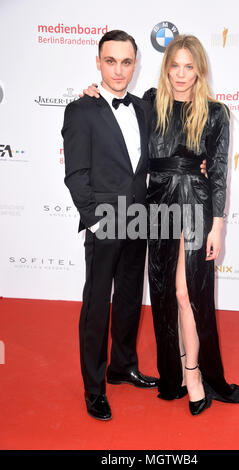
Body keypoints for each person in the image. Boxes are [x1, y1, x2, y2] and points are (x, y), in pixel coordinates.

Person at [83, 34, 239, 417]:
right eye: (174, 66)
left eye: (189, 67)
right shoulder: (151, 104)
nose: (181, 74)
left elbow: (217, 175)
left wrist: (218, 227)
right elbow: (120, 118)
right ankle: (178, 374)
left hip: (196, 204)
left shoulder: (216, 113)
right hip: (158, 205)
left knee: (186, 293)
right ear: (166, 68)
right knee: (165, 293)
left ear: (199, 70)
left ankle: (195, 375)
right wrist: (93, 94)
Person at [62, 30, 162, 421]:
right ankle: (94, 387)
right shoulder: (80, 110)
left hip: (141, 220)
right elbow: (76, 175)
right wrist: (96, 221)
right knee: (97, 304)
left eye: (126, 62)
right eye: (110, 61)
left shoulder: (144, 108)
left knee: (128, 300)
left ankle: (123, 366)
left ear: (136, 64)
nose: (118, 70)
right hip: (105, 223)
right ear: (98, 62)